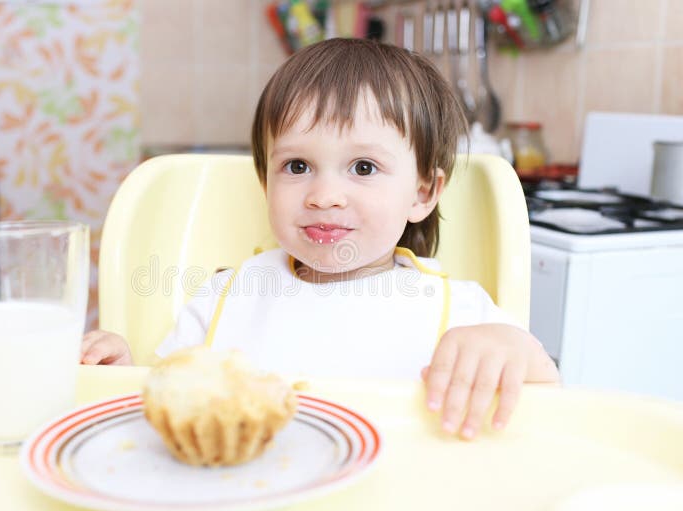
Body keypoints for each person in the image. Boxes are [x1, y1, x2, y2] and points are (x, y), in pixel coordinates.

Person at [81, 38, 559, 440]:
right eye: (297, 166)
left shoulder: (460, 311)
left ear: (423, 192)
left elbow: (547, 412)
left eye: (364, 167)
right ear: (266, 182)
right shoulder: (226, 295)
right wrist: (120, 374)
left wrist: (519, 353)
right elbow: (161, 401)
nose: (324, 196)